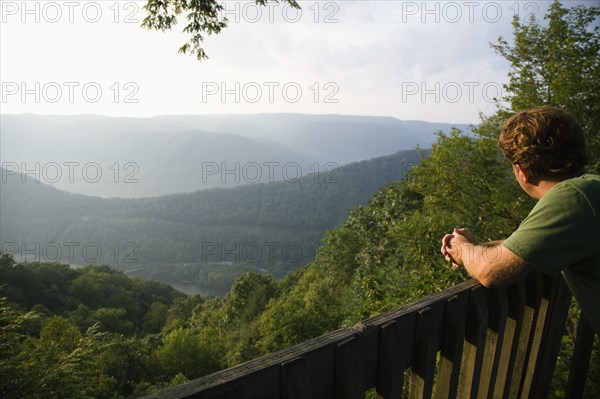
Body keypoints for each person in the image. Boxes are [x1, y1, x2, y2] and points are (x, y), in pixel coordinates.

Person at [441, 106, 600, 334]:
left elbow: (490, 272)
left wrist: (463, 248)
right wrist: (482, 247)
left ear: (523, 171)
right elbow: (529, 247)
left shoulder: (572, 199)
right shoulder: (591, 187)